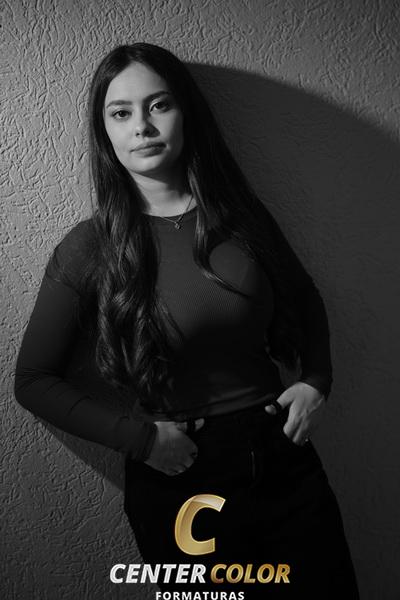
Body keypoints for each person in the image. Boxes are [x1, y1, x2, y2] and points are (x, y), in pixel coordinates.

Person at [14, 43, 359, 598]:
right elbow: (32, 381)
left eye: (159, 105)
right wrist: (141, 441)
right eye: (121, 113)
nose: (142, 126)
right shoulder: (89, 247)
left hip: (284, 461)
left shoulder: (242, 217)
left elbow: (304, 296)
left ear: (186, 113)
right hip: (182, 478)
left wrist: (316, 380)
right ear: (105, 133)